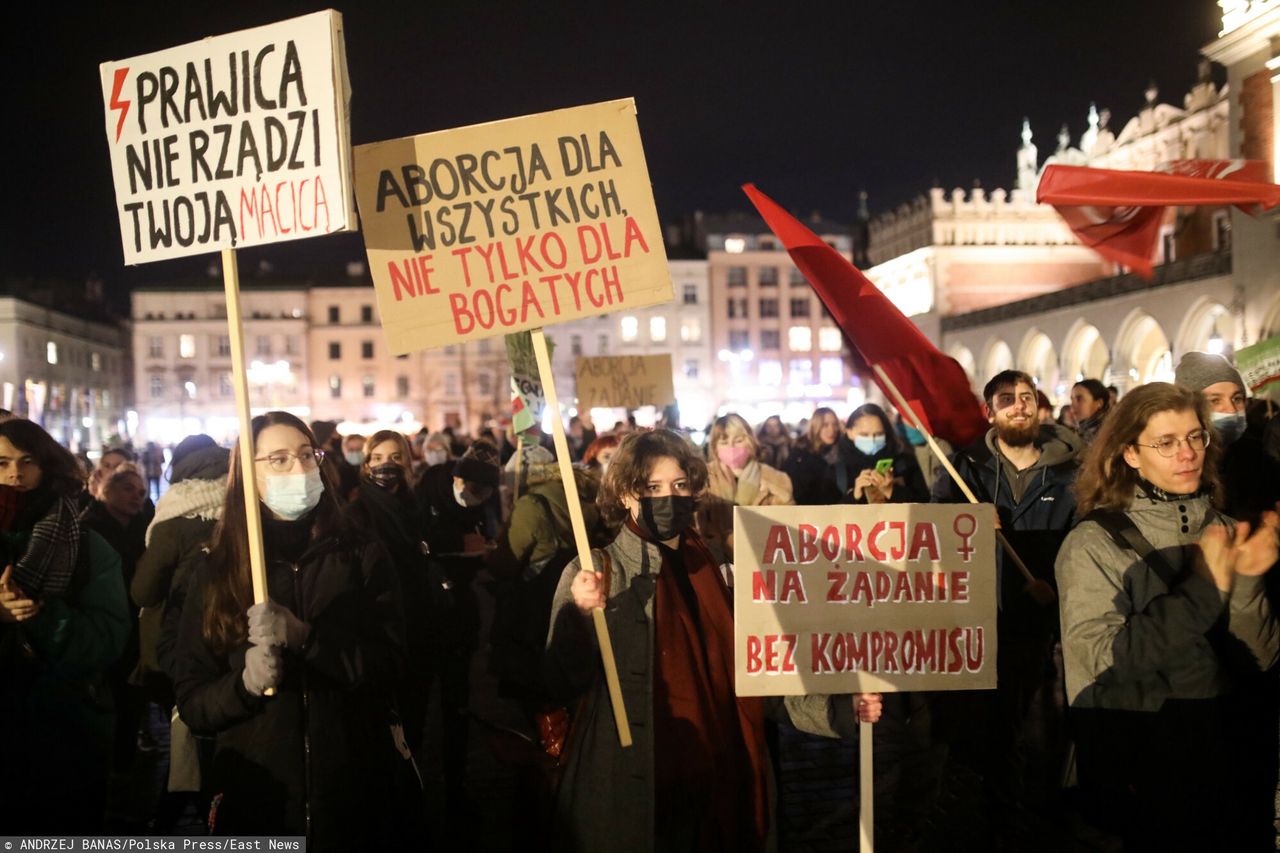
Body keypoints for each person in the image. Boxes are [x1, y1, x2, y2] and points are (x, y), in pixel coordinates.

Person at [544, 430, 881, 852]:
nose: (669, 496)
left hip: (726, 769)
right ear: (627, 495)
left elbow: (762, 667)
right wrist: (578, 613)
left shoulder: (720, 567)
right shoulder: (595, 570)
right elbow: (560, 678)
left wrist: (839, 707)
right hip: (641, 782)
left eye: (680, 485)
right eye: (652, 487)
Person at [172, 412, 416, 848]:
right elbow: (193, 701)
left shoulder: (360, 552)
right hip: (259, 800)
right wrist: (243, 685)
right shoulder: (216, 570)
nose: (301, 469)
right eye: (279, 460)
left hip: (354, 792)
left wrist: (309, 639)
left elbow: (393, 663)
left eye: (308, 455)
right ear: (249, 474)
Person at [1056, 382, 1279, 850]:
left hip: (1229, 752)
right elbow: (1102, 661)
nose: (1188, 453)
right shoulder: (1093, 544)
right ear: (1130, 455)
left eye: (1196, 437)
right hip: (1146, 762)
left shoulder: (1221, 526)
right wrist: (1204, 590)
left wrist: (1248, 584)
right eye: (1167, 442)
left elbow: (1258, 659)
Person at [931, 369, 1081, 824]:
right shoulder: (963, 470)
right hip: (974, 621)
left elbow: (1085, 541)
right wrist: (968, 526)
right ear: (989, 412)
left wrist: (1059, 589)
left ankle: (1024, 816)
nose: (1019, 405)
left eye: (1027, 397)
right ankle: (984, 812)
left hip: (1039, 624)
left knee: (1029, 728)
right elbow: (933, 537)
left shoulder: (1071, 473)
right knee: (979, 728)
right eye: (1007, 398)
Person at [0, 418, 129, 832]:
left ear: (47, 466)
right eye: (1, 463)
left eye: (26, 461)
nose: (14, 474)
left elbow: (108, 639)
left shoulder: (86, 545)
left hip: (65, 733)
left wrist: (41, 615)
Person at [130, 433, 229, 822]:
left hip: (181, 642)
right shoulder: (248, 508)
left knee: (188, 726)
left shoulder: (175, 515)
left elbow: (143, 590)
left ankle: (184, 809)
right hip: (234, 639)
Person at [414, 439, 502, 812]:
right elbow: (414, 539)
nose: (474, 495)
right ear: (457, 476)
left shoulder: (485, 503)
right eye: (470, 487)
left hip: (461, 611)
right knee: (418, 699)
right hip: (425, 610)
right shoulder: (429, 489)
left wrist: (484, 551)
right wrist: (455, 543)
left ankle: (456, 779)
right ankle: (413, 779)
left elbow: (485, 538)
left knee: (456, 701)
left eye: (483, 491)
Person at [344, 430, 433, 754]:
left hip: (419, 624)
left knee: (415, 717)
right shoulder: (357, 514)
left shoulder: (416, 506)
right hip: (382, 626)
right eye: (378, 458)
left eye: (395, 457)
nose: (387, 465)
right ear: (366, 465)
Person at [81, 463, 152, 769]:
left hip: (133, 625)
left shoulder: (144, 530)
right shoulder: (88, 529)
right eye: (128, 489)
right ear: (107, 490)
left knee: (130, 698)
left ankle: (124, 763)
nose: (136, 497)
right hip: (99, 623)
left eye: (141, 492)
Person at [1175, 350, 1280, 528]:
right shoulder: (1175, 464)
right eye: (1214, 401)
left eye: (1237, 398)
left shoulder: (1260, 462)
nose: (1231, 410)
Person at [698, 413, 793, 567]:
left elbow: (789, 529)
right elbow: (698, 530)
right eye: (724, 441)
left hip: (764, 566)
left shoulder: (776, 480)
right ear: (715, 446)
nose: (732, 447)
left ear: (750, 441)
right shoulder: (703, 480)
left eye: (738, 440)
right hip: (718, 569)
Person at [838, 403, 928, 505]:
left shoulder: (905, 463)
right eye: (864, 434)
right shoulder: (838, 469)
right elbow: (825, 514)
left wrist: (891, 491)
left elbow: (924, 504)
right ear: (849, 432)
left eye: (878, 434)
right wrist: (855, 496)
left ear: (886, 433)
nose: (872, 439)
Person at [782, 406, 842, 506]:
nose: (831, 430)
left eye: (834, 424)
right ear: (816, 426)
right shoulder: (799, 455)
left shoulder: (841, 452)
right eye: (825, 425)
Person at [1070, 379, 1110, 445]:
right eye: (1072, 399)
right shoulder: (1078, 431)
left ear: (1099, 403)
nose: (1072, 406)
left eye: (1079, 399)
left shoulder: (1105, 435)